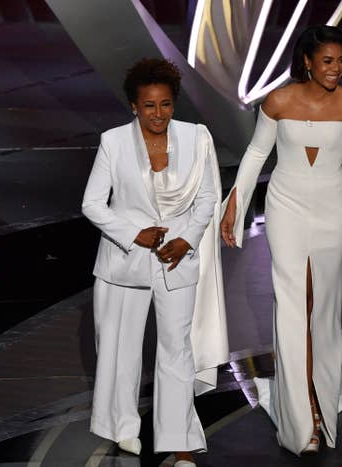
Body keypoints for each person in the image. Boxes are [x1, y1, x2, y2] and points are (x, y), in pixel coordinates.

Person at [220, 25, 342, 455]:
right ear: (307, 60)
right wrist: (236, 201)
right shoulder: (279, 100)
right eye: (327, 61)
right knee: (292, 303)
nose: (336, 69)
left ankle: (324, 395)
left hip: (332, 210)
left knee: (323, 306)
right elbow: (255, 154)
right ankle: (300, 415)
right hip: (285, 207)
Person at [82, 58, 228, 466]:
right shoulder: (113, 142)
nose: (158, 114)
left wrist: (185, 241)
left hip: (176, 262)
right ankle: (122, 428)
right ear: (133, 106)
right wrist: (133, 234)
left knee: (176, 351)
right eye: (149, 106)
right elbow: (92, 203)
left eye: (165, 104)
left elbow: (206, 199)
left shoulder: (197, 138)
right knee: (119, 350)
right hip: (123, 265)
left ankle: (180, 444)